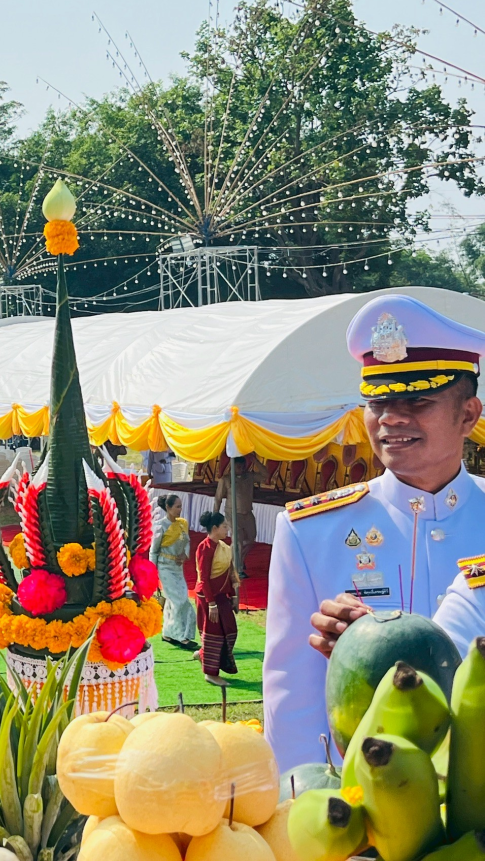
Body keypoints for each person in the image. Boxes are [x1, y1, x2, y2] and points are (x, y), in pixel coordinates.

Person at [265, 294, 485, 770]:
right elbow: (293, 692)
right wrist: (304, 803)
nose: (391, 418)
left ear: (467, 415)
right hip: (360, 803)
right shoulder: (311, 531)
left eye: (417, 401)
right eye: (378, 401)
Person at [196, 510, 239, 686]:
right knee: (214, 634)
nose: (227, 529)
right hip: (208, 598)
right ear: (214, 528)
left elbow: (230, 571)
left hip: (222, 595)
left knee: (230, 630)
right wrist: (211, 604)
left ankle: (202, 654)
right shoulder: (204, 548)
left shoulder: (223, 547)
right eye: (224, 526)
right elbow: (204, 578)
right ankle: (211, 673)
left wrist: (235, 595)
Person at [152, 494, 196, 649]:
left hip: (178, 567)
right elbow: (153, 551)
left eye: (181, 506)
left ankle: (168, 633)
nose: (180, 509)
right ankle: (181, 636)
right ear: (168, 508)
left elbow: (187, 542)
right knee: (180, 599)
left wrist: (185, 554)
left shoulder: (182, 524)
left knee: (173, 600)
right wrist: (152, 572)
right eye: (177, 506)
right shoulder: (160, 526)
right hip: (164, 567)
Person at [213, 454, 265, 575]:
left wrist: (255, 461)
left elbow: (265, 476)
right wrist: (215, 514)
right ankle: (237, 570)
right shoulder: (226, 479)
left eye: (242, 466)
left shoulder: (249, 476)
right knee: (238, 542)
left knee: (250, 540)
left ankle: (239, 560)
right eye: (238, 467)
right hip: (232, 514)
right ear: (232, 466)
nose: (241, 469)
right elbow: (218, 498)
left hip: (247, 513)